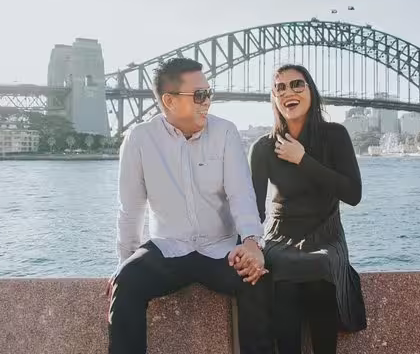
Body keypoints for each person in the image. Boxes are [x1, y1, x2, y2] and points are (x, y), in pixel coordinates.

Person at [108, 58, 272, 354]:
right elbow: (130, 210)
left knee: (255, 277)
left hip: (221, 249)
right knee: (128, 281)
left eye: (209, 93)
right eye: (199, 95)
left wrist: (251, 242)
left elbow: (241, 194)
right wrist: (124, 263)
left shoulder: (225, 132)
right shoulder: (139, 139)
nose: (207, 102)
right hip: (169, 248)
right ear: (169, 100)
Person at [249, 64, 367, 354]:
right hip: (280, 236)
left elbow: (353, 194)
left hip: (326, 234)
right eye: (280, 88)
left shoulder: (335, 136)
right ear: (274, 99)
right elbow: (253, 211)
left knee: (320, 266)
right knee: (283, 272)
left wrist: (303, 159)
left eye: (297, 85)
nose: (289, 92)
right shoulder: (262, 148)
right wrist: (248, 245)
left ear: (311, 91)